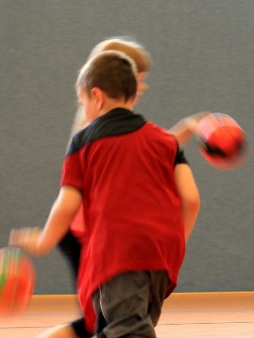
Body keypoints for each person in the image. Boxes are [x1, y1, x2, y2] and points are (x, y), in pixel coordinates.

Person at [11, 50, 198, 337]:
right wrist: (175, 243)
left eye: (82, 100)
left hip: (118, 255)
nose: (83, 107)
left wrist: (43, 241)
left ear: (96, 96)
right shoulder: (165, 141)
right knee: (118, 327)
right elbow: (192, 199)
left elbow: (67, 205)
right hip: (161, 257)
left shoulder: (84, 142)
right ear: (133, 94)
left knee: (126, 331)